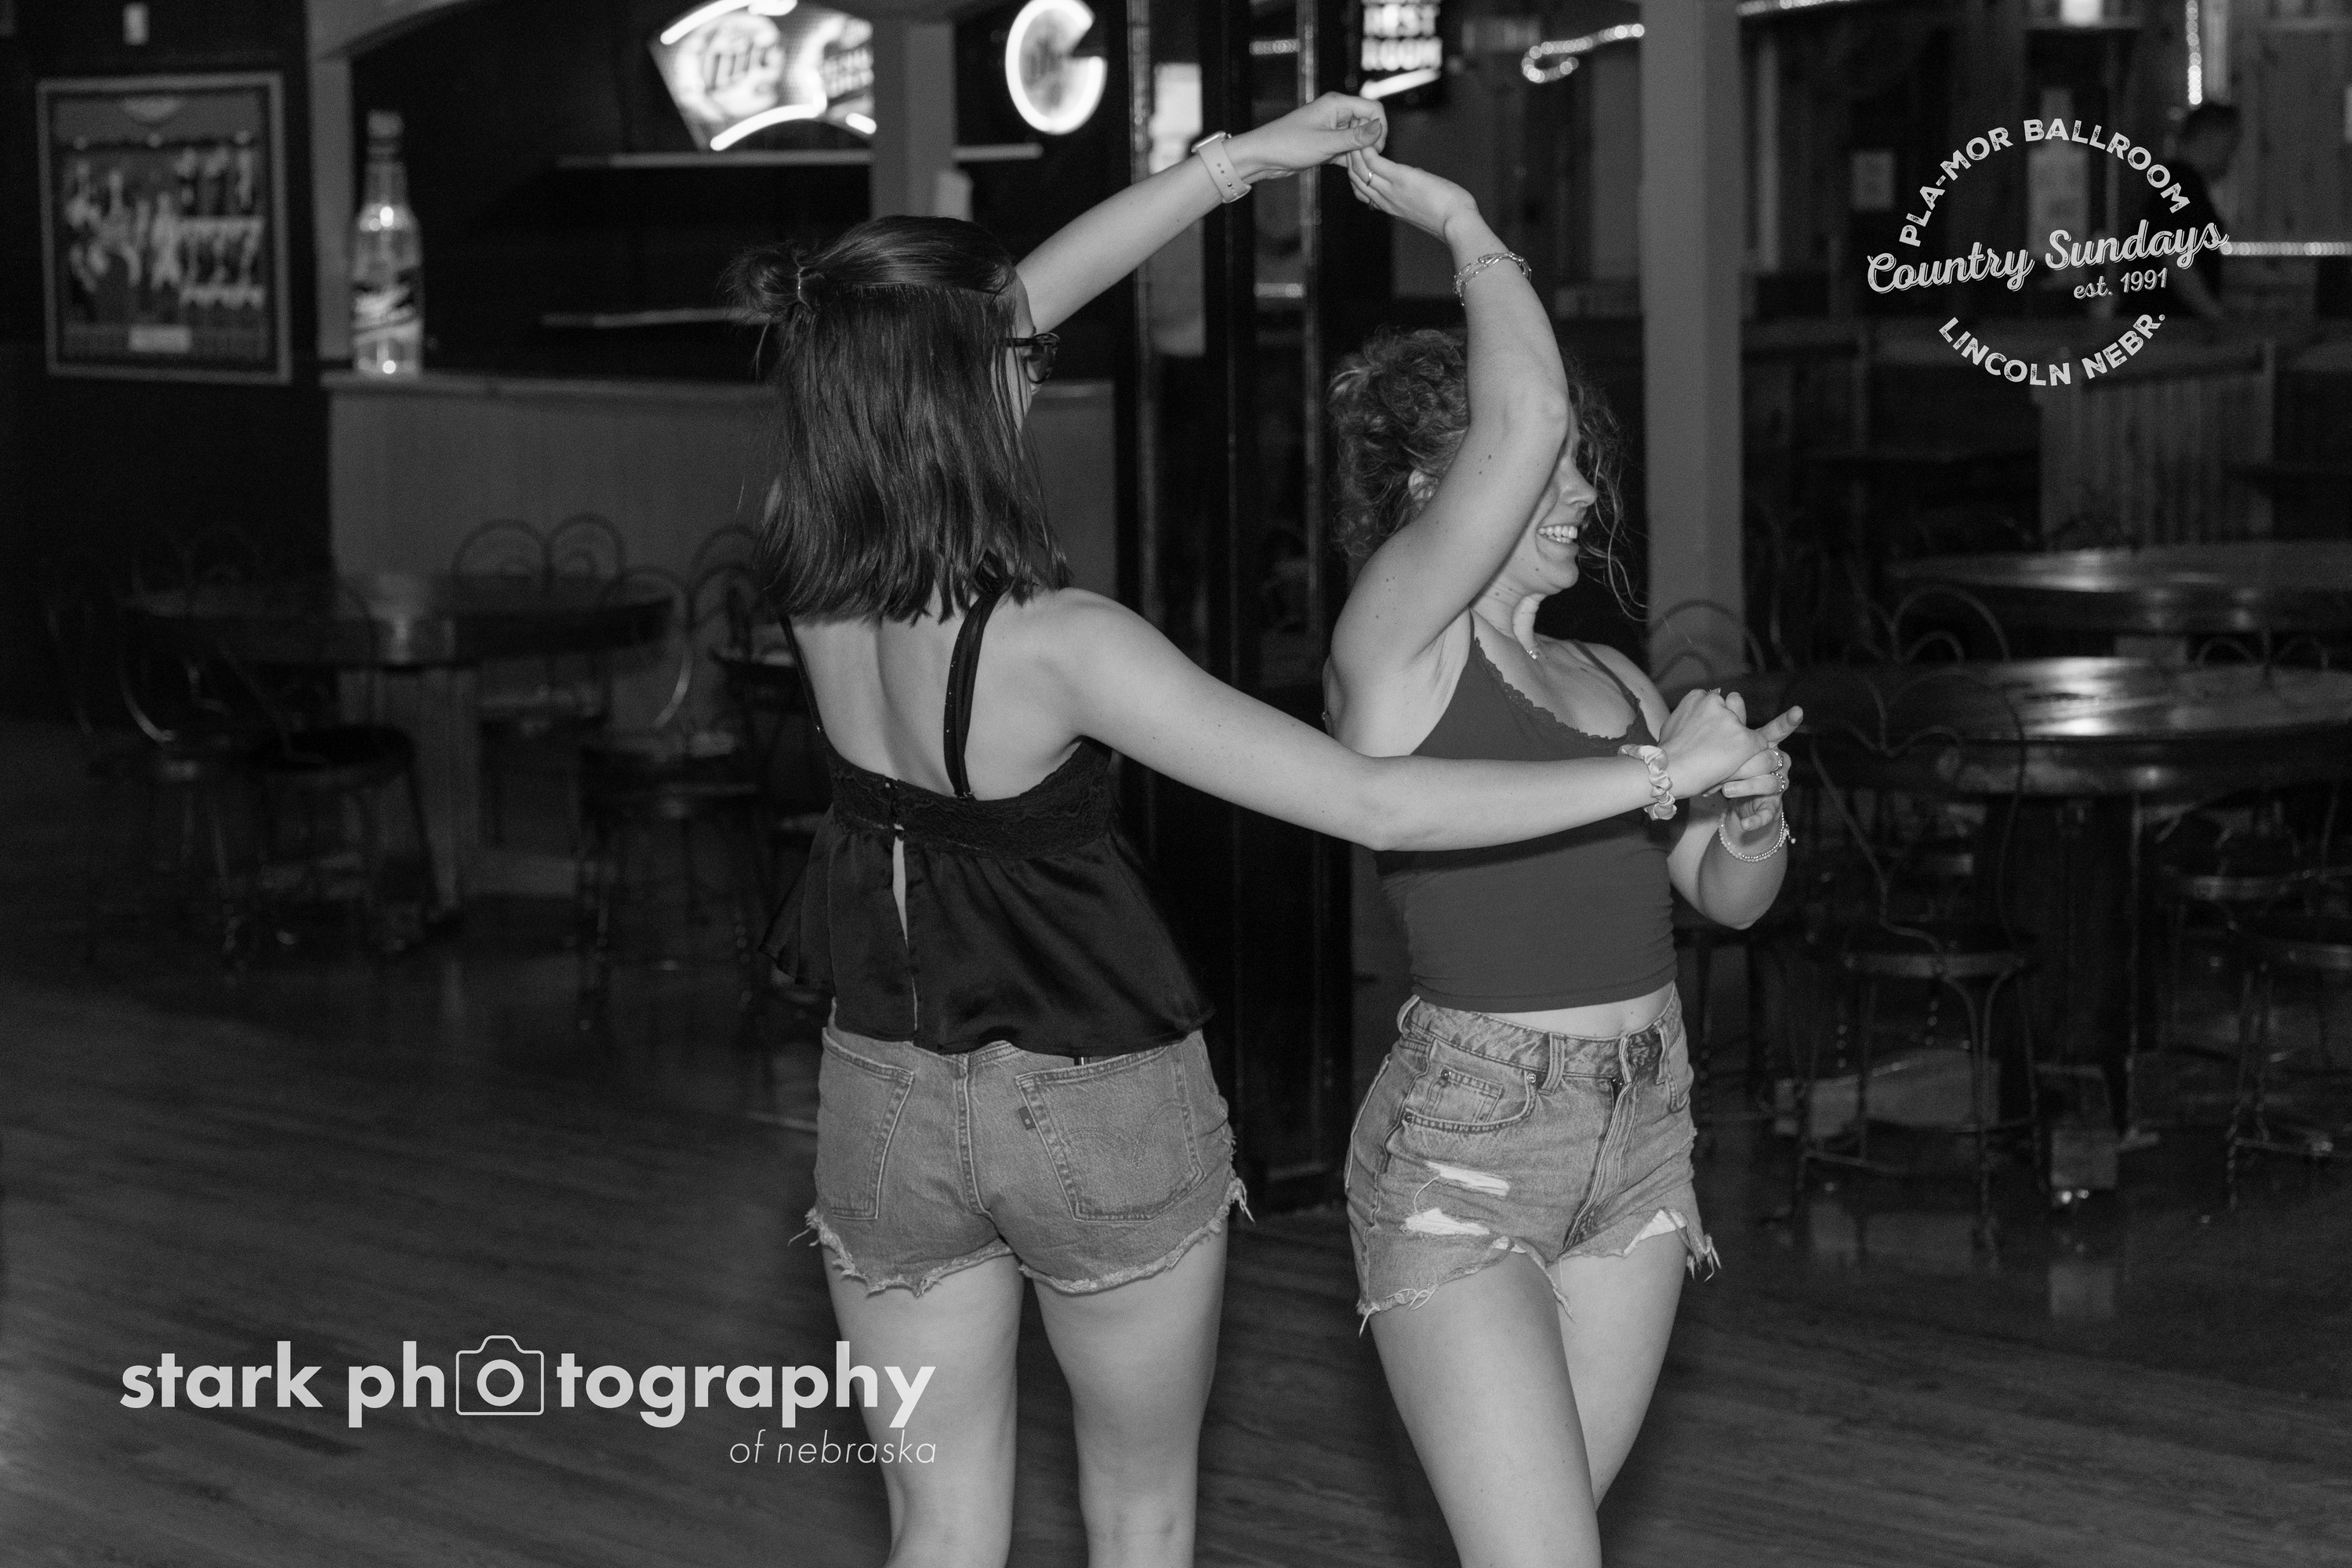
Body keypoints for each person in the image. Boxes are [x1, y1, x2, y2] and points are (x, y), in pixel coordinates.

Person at [731, 96, 1792, 1568]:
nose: (1037, 359)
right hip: (1087, 1096)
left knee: (941, 1530)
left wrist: (1233, 167)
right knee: (1142, 1513)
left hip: (883, 1088)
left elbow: (997, 314)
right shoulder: (1065, 644)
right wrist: (1659, 775)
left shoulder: (812, 577)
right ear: (962, 392)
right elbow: (1374, 801)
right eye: (1017, 357)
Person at [1324, 146, 1798, 1568]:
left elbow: (1725, 899)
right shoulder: (1397, 648)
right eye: (1550, 465)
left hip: (1645, 1134)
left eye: (1585, 464)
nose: (1582, 487)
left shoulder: (1611, 676)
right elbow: (1522, 409)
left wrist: (1751, 814)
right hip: (1468, 1146)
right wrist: (1464, 221)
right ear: (1443, 487)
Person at [2148, 101, 2238, 319]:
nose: (2231, 156)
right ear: (2210, 137)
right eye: (2229, 145)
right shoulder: (2181, 185)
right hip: (2171, 326)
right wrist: (2215, 314)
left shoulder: (2176, 183)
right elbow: (2175, 259)